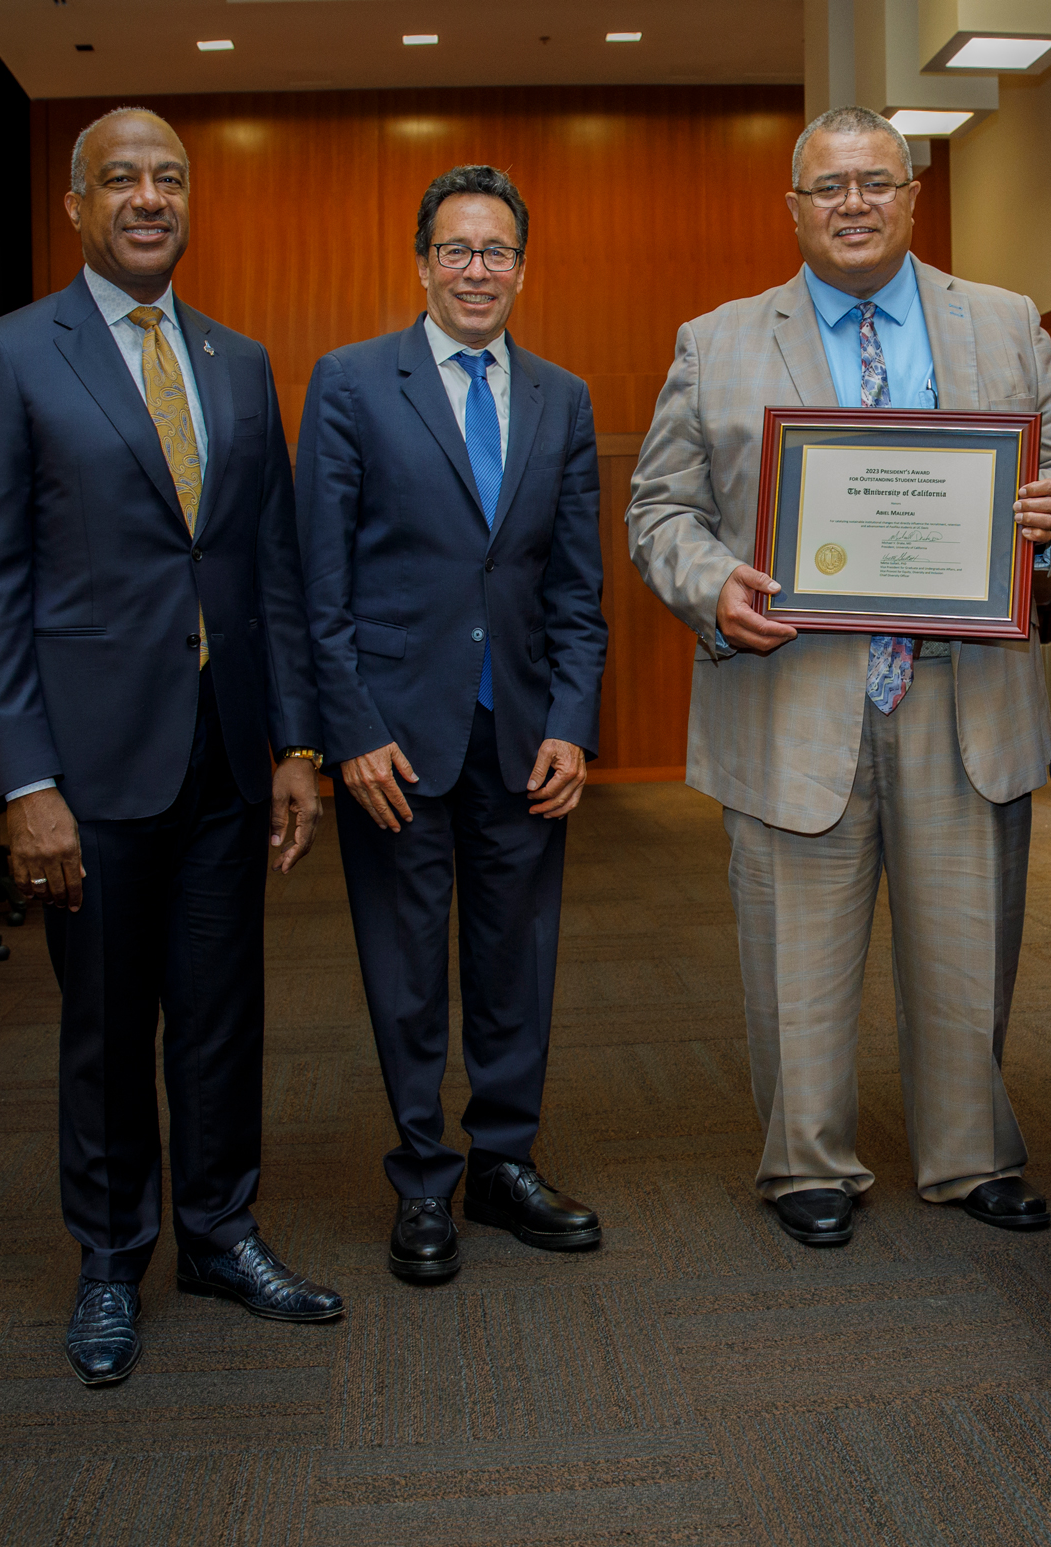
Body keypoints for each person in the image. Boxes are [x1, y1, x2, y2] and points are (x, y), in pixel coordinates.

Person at [626, 106, 1051, 1248]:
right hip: (790, 691)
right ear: (792, 209)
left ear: (911, 195)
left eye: (874, 182)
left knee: (965, 941)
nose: (852, 203)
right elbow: (659, 509)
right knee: (795, 948)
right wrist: (713, 585)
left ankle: (968, 1152)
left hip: (960, 692)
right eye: (827, 186)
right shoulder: (718, 338)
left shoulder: (1002, 319)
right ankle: (806, 1160)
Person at [0, 107, 341, 1386]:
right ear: (75, 205)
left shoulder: (235, 358)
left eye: (169, 177)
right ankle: (111, 1257)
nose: (149, 197)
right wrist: (26, 782)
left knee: (222, 1017)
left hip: (226, 756)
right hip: (88, 770)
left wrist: (295, 744)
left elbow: (267, 564)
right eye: (121, 177)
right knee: (108, 1027)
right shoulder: (8, 354)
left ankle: (222, 1234)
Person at [295, 165, 608, 1282]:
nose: (478, 270)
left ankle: (504, 1163)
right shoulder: (348, 384)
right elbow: (314, 584)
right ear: (421, 261)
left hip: (522, 733)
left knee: (517, 957)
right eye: (457, 250)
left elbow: (577, 586)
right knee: (407, 969)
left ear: (522, 267)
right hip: (394, 738)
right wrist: (349, 731)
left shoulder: (562, 397)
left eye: (498, 252)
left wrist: (573, 720)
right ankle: (423, 1177)